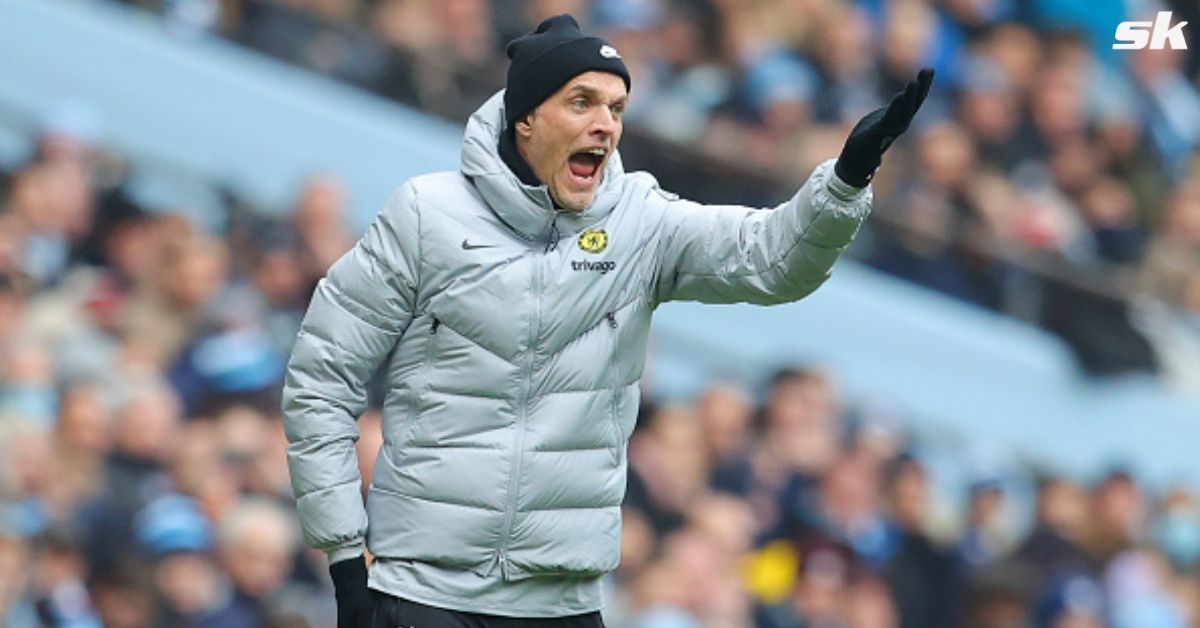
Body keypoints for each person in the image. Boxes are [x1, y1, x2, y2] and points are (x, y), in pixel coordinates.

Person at [282, 14, 933, 628]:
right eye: (582, 102)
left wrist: (845, 181)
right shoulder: (426, 215)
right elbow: (321, 377)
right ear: (525, 119)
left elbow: (774, 260)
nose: (605, 124)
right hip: (421, 594)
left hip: (561, 602)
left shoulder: (641, 223)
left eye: (617, 108)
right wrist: (344, 558)